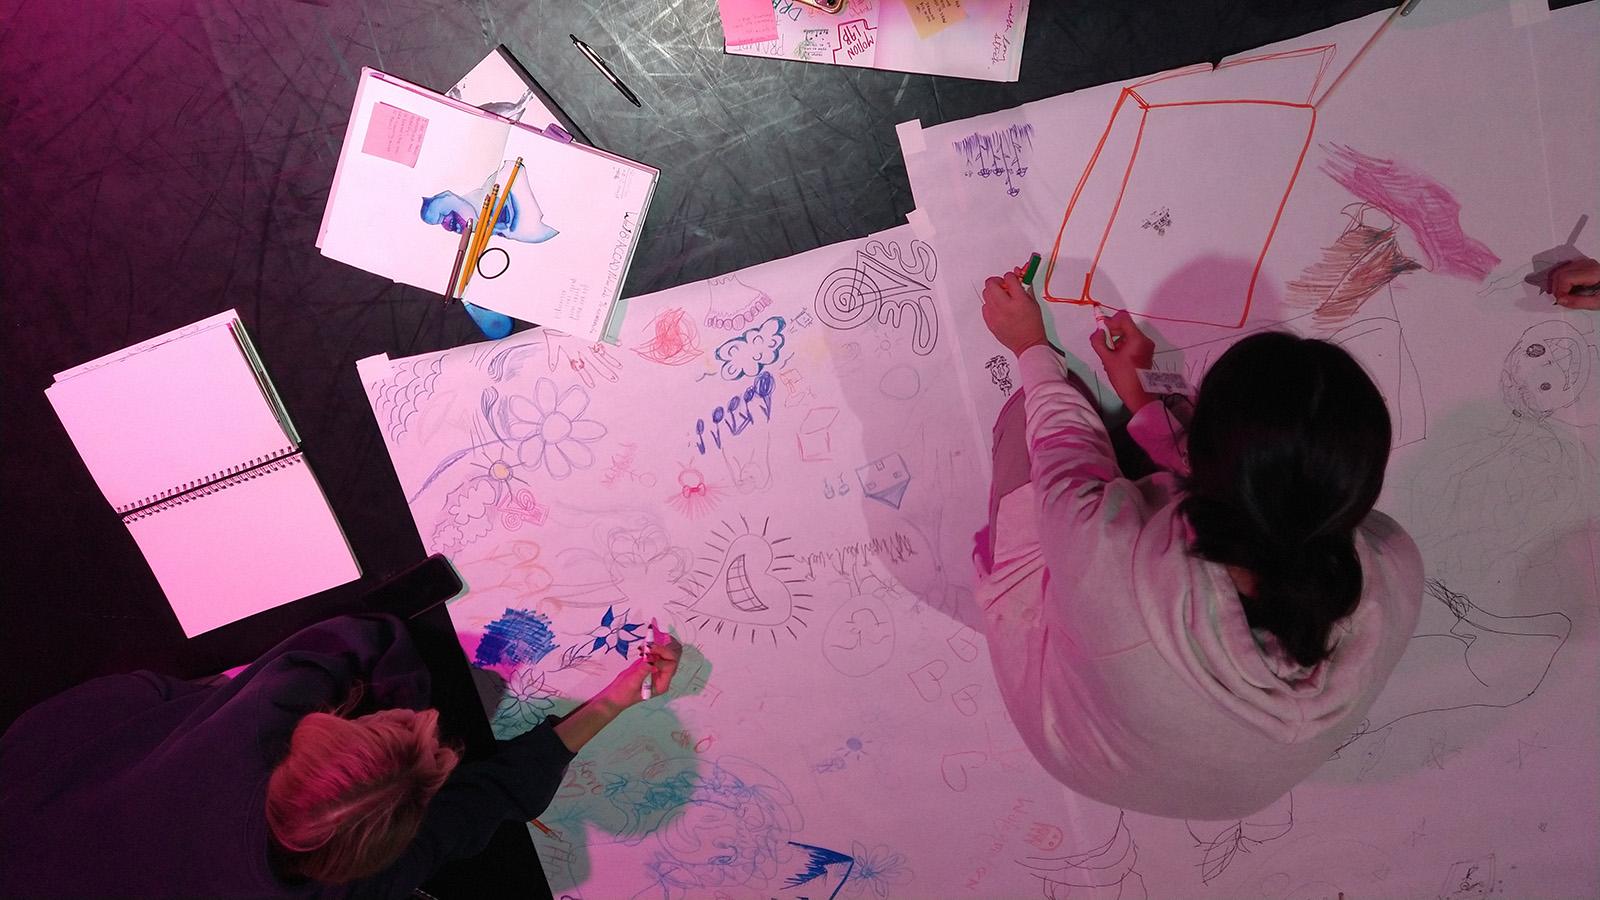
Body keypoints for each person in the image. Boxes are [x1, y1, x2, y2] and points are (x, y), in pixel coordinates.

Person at [974, 269, 1423, 820]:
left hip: (1082, 749)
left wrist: (1030, 344)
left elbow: (1064, 459)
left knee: (1046, 402)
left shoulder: (1111, 558)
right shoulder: (1394, 563)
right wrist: (1145, 397)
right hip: (1228, 789)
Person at [0, 613, 680, 897]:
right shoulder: (268, 714)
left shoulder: (263, 710)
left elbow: (366, 638)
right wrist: (618, 699)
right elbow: (490, 798)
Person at [419, 160, 559, 244]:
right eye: (441, 221)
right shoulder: (527, 233)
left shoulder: (509, 175)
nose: (448, 225)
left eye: (443, 215)